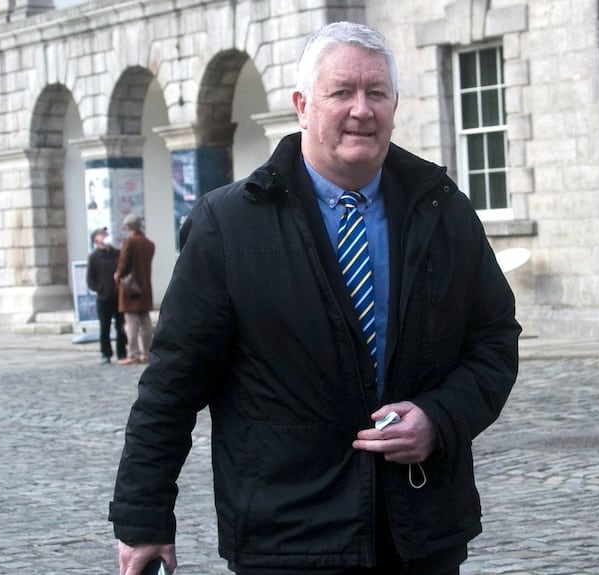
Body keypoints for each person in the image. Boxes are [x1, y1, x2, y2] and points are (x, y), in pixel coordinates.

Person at [109, 21, 520, 575]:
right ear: (302, 106)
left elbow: (494, 342)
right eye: (341, 92)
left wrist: (439, 418)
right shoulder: (228, 224)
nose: (361, 110)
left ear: (394, 105)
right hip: (288, 538)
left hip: (419, 533)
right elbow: (172, 383)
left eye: (376, 93)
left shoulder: (443, 210)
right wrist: (143, 519)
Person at [114, 214, 155, 365]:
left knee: (131, 322)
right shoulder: (149, 244)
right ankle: (147, 353)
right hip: (145, 287)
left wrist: (118, 275)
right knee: (145, 321)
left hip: (130, 288)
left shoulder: (130, 242)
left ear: (128, 227)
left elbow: (123, 263)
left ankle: (133, 353)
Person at [86, 227, 127, 364]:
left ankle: (122, 353)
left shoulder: (117, 253)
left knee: (121, 327)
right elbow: (90, 280)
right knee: (105, 327)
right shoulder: (94, 257)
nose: (104, 237)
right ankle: (106, 353)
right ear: (95, 240)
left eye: (105, 234)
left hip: (118, 296)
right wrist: (100, 288)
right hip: (103, 297)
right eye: (101, 235)